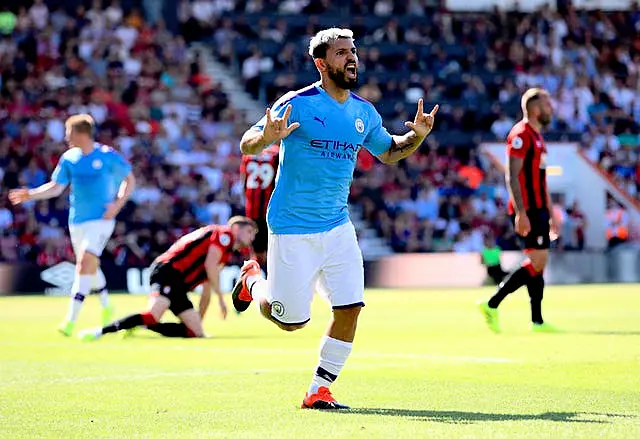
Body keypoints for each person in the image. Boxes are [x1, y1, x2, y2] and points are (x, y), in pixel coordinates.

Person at [232, 28, 438, 409]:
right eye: (342, 52)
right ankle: (252, 282)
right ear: (322, 63)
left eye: (353, 50)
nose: (351, 57)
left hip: (338, 225)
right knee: (290, 321)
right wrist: (266, 138)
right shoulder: (297, 103)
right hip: (293, 226)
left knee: (350, 306)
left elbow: (389, 152)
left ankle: (318, 390)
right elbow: (247, 142)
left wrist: (418, 136)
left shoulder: (363, 111)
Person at [9, 114, 135, 336]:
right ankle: (107, 306)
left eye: (69, 132)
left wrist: (117, 205)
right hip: (77, 221)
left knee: (84, 263)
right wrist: (31, 194)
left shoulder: (106, 156)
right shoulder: (69, 158)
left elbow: (130, 179)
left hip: (102, 220)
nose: (66, 137)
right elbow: (57, 187)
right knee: (90, 265)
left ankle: (70, 320)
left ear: (81, 133)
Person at [78, 216, 258, 341]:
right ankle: (100, 331)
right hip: (168, 271)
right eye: (249, 232)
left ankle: (141, 324)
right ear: (236, 228)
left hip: (178, 284)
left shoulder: (225, 254)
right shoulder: (224, 235)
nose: (251, 238)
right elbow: (211, 267)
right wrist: (221, 300)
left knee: (194, 332)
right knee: (153, 315)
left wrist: (199, 323)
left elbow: (206, 285)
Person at [478, 88, 560, 334]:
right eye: (547, 104)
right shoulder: (521, 134)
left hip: (540, 209)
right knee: (537, 260)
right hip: (529, 209)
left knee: (538, 264)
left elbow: (542, 180)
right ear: (534, 108)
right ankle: (492, 304)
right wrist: (521, 212)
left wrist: (552, 212)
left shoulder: (538, 137)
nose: (551, 109)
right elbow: (511, 175)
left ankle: (537, 321)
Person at [240, 143, 280, 267]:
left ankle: (253, 280)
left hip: (252, 209)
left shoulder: (249, 154)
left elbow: (244, 181)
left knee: (256, 253)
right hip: (272, 210)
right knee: (273, 250)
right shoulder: (277, 153)